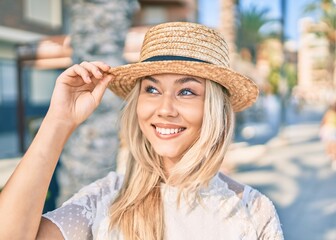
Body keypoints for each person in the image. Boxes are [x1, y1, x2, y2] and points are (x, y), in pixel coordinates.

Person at [0, 22, 283, 240]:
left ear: (215, 109)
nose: (165, 109)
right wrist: (59, 120)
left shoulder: (253, 212)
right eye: (152, 89)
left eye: (186, 91)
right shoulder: (106, 198)